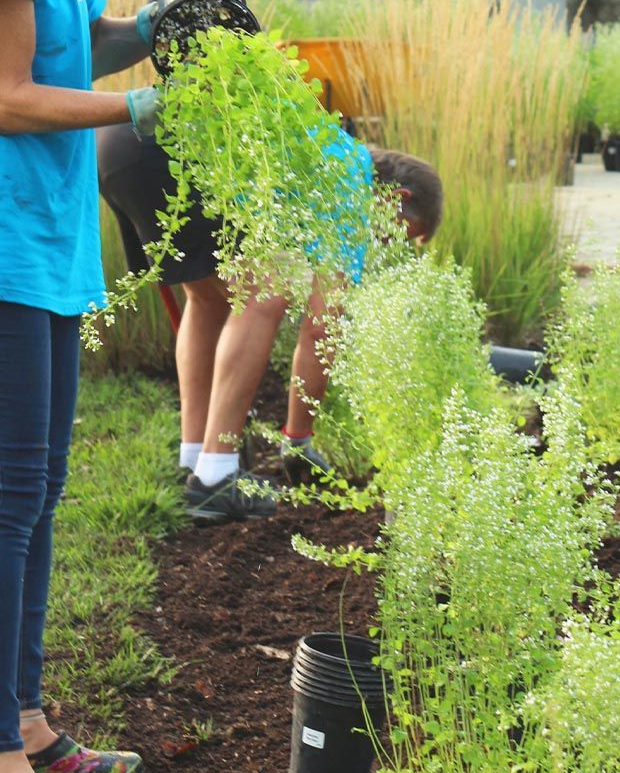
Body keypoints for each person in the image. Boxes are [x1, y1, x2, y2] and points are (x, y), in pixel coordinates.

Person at [0, 0, 191, 773]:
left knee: (41, 489)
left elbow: (85, 35)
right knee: (8, 493)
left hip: (53, 235)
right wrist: (141, 104)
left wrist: (167, 18)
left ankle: (26, 720)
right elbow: (11, 96)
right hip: (5, 237)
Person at [97, 121, 443, 521]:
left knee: (208, 299)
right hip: (170, 150)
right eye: (397, 232)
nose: (383, 243)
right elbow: (320, 327)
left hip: (122, 142)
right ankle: (216, 478)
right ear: (395, 197)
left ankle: (196, 464)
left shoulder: (326, 147)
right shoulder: (349, 178)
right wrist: (298, 439)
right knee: (269, 288)